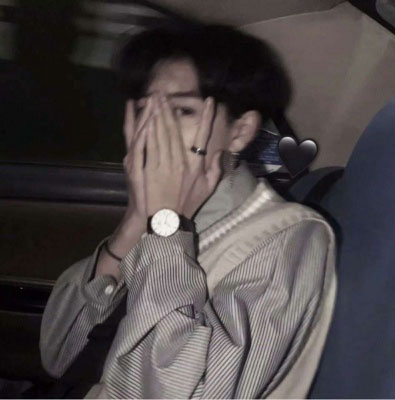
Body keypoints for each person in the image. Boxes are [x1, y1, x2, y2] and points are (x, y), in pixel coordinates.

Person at [40, 23, 336, 399]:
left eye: (182, 110)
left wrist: (167, 223)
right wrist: (134, 222)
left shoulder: (287, 239)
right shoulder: (154, 222)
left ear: (240, 132)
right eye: (144, 109)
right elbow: (62, 358)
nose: (153, 129)